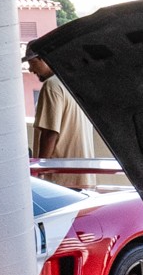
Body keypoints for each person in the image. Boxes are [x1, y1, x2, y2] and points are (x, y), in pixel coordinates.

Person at [26, 41, 104, 189]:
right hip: (83, 176)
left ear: (44, 58)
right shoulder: (72, 82)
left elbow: (50, 133)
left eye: (32, 62)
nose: (30, 69)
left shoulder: (52, 86)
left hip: (61, 180)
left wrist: (40, 171)